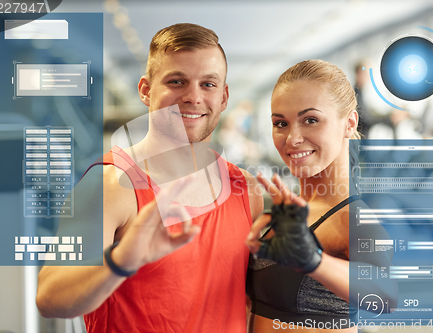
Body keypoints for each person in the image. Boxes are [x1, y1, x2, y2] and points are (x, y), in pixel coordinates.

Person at [35, 23, 264, 333]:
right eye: (177, 81)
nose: (193, 97)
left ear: (223, 97)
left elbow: (249, 305)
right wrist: (120, 261)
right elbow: (50, 298)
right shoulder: (111, 185)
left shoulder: (246, 189)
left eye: (208, 84)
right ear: (146, 90)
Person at [245, 60, 396, 332]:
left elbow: (385, 295)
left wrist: (315, 261)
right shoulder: (290, 211)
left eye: (310, 120)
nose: (292, 138)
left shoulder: (354, 219)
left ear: (349, 123)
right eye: (281, 123)